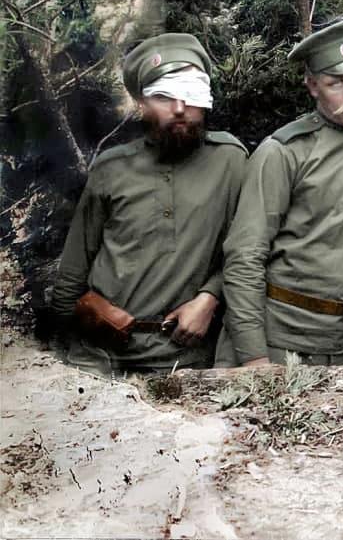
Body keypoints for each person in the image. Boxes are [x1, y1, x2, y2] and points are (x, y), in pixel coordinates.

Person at [222, 15, 343, 367]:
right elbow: (244, 258)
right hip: (277, 346)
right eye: (335, 83)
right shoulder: (283, 151)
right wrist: (254, 359)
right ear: (313, 86)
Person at [50, 33, 247, 376]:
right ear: (142, 103)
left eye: (191, 92)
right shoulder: (111, 167)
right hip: (98, 360)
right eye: (164, 96)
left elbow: (247, 248)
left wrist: (210, 297)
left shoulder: (231, 160)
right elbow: (73, 271)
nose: (180, 107)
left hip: (186, 361)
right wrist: (79, 316)